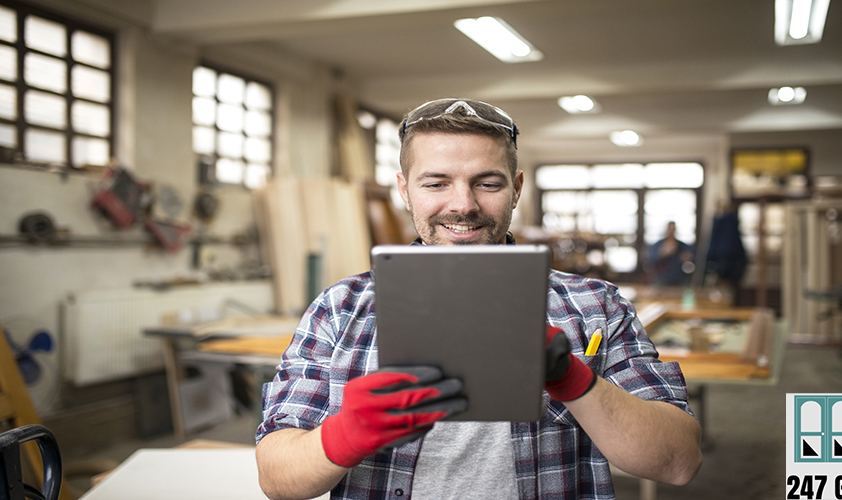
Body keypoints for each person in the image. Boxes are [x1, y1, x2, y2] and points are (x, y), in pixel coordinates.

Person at [255, 98, 702, 500]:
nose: (463, 204)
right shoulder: (341, 307)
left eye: (487, 183)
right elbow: (277, 478)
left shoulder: (595, 306)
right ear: (404, 189)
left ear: (518, 188)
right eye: (436, 184)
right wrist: (344, 435)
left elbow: (679, 461)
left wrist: (573, 380)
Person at [646, 221, 694, 286]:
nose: (671, 231)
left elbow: (691, 258)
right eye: (670, 229)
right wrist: (663, 253)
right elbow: (650, 260)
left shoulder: (682, 246)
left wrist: (686, 257)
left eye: (673, 229)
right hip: (661, 278)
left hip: (679, 278)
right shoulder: (657, 245)